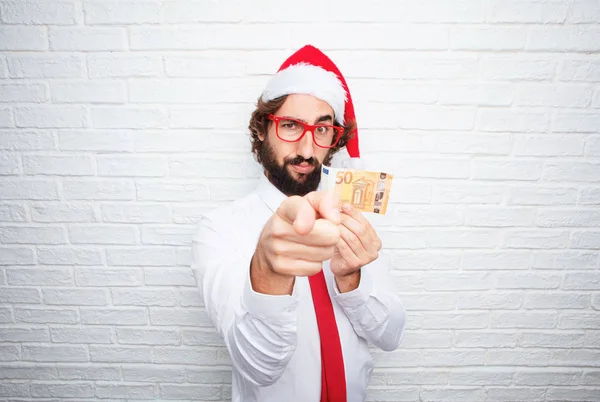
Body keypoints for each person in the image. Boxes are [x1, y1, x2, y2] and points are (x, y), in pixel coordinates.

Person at [191, 45, 406, 402]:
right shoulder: (219, 230)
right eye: (290, 125)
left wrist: (351, 279)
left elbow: (390, 336)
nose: (308, 149)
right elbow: (257, 366)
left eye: (322, 130)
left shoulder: (353, 220)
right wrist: (267, 269)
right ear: (262, 129)